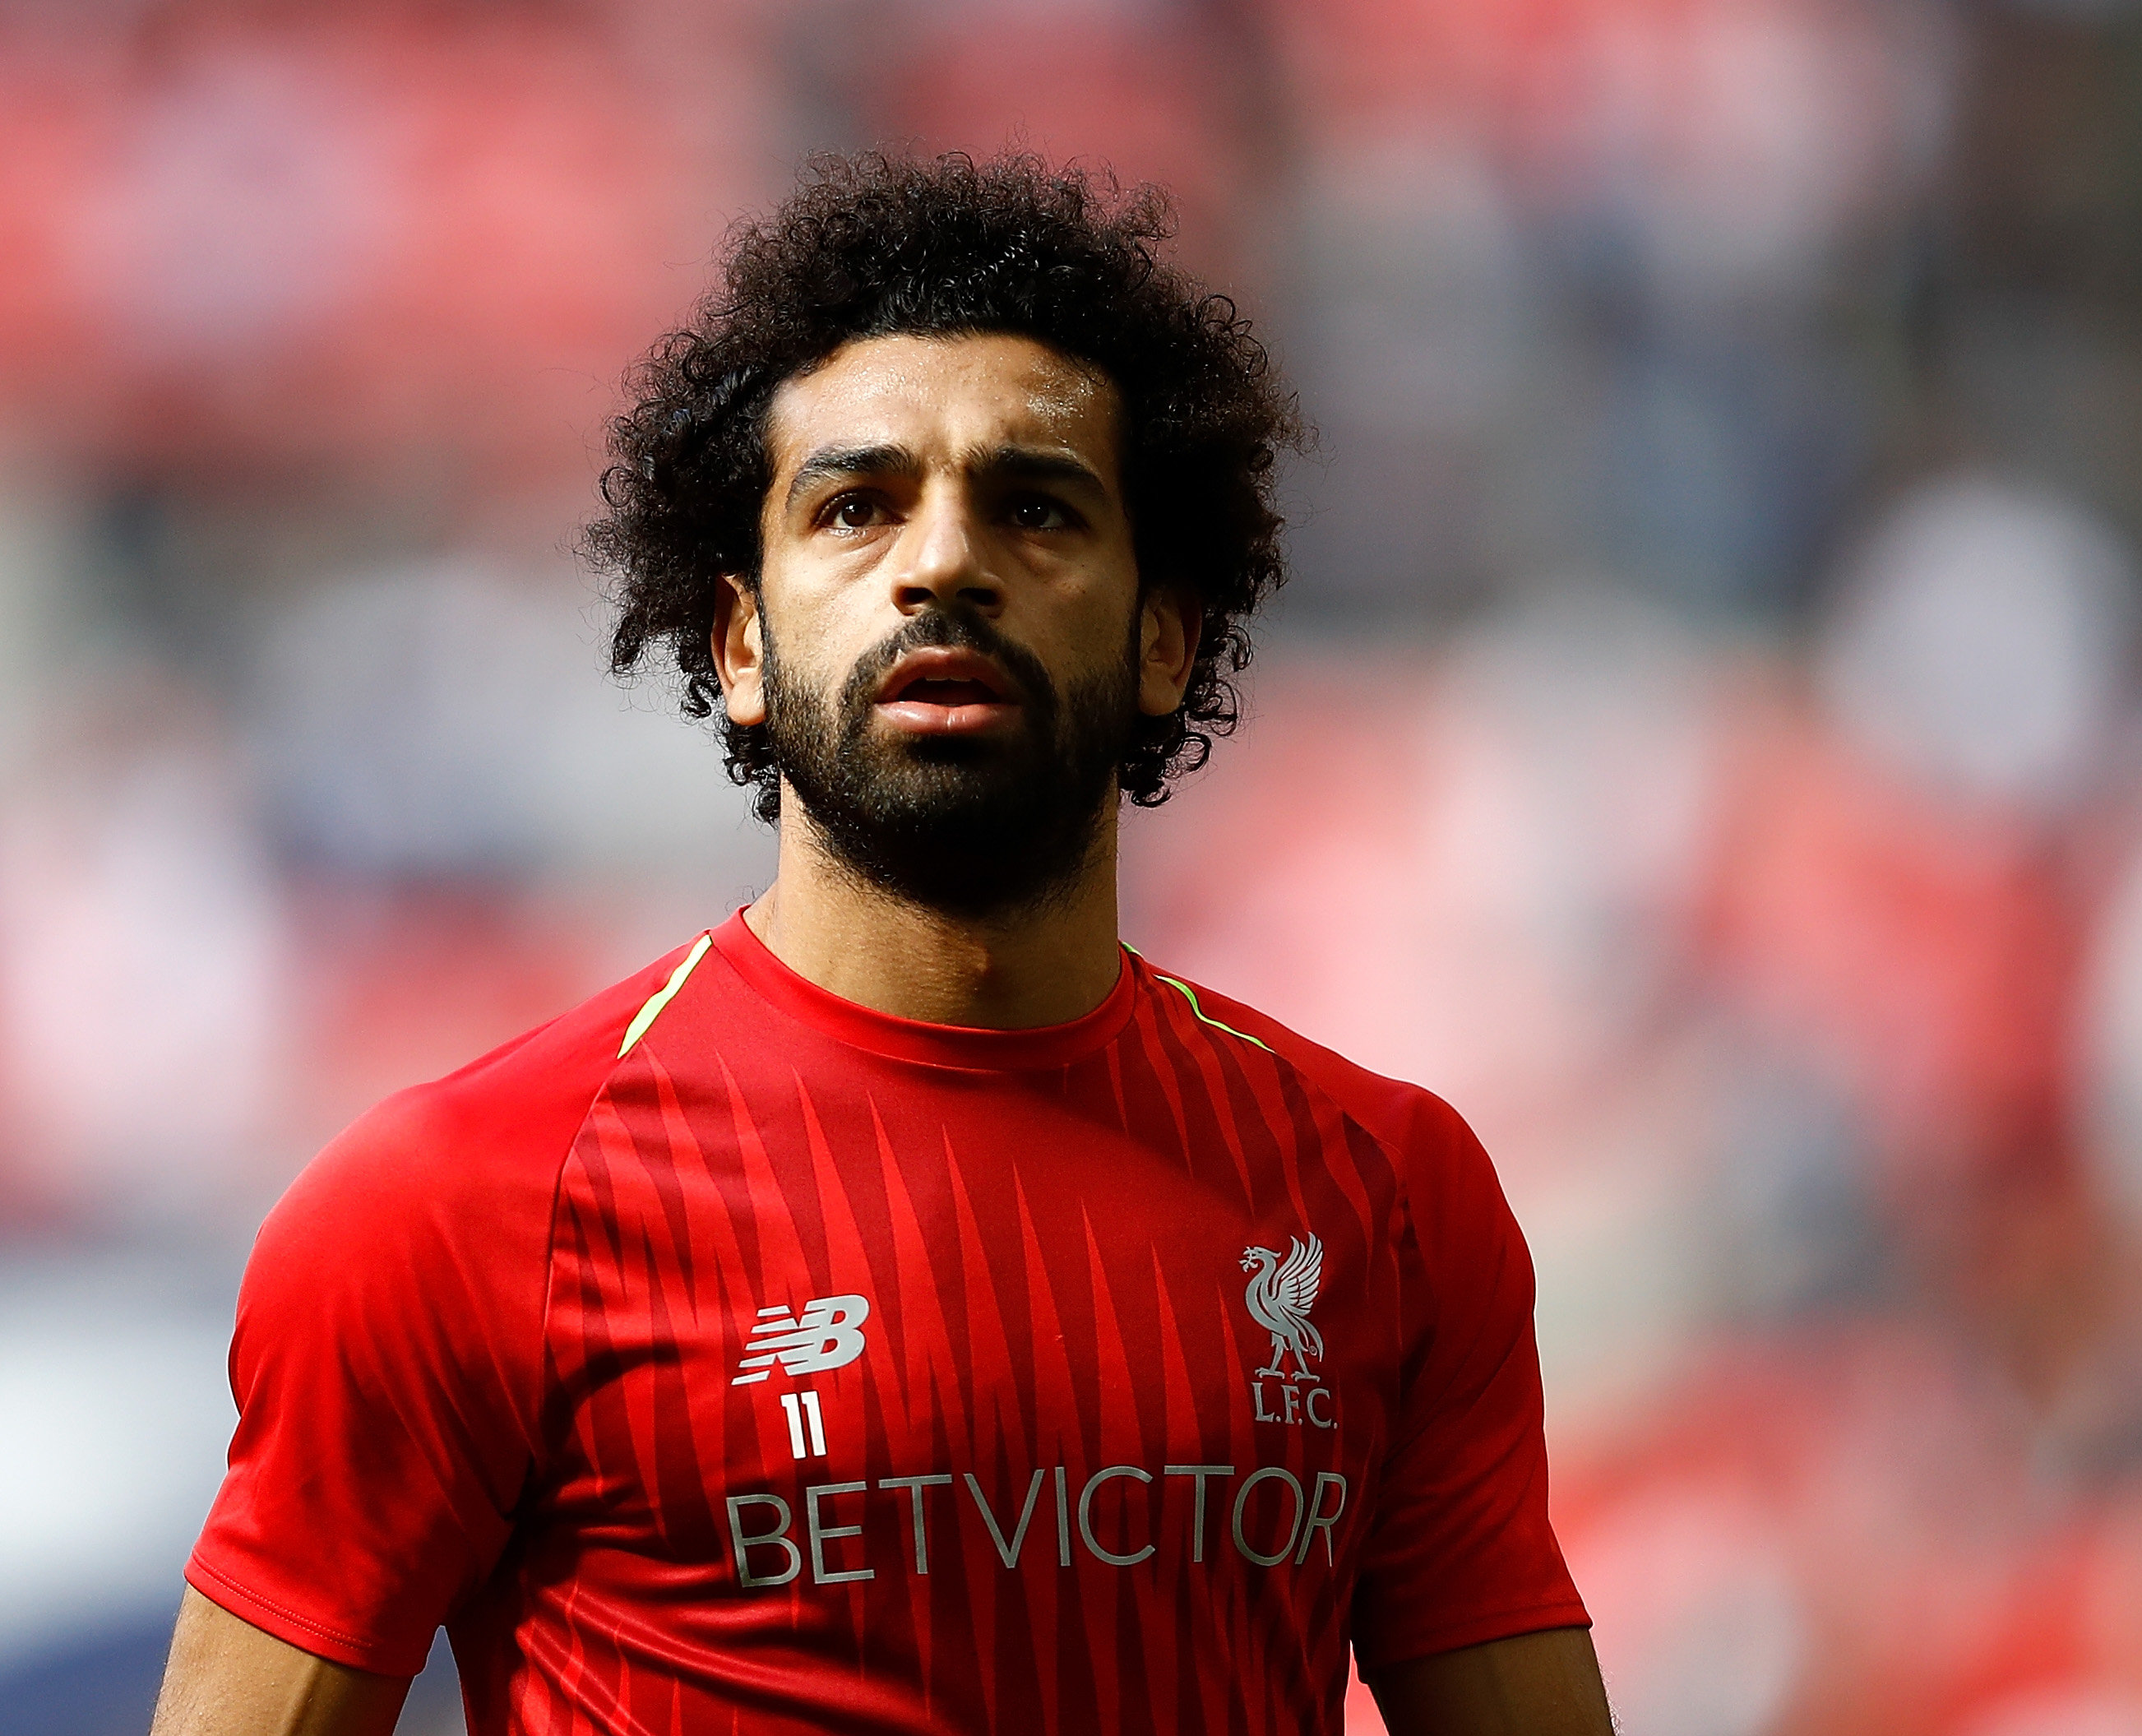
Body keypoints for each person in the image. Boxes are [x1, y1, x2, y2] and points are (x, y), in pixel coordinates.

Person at [150, 153, 1612, 1736]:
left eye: (1035, 507)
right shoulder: (456, 1205)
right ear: (741, 646)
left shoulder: (1390, 1194)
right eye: (857, 508)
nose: (943, 562)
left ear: (1163, 639)